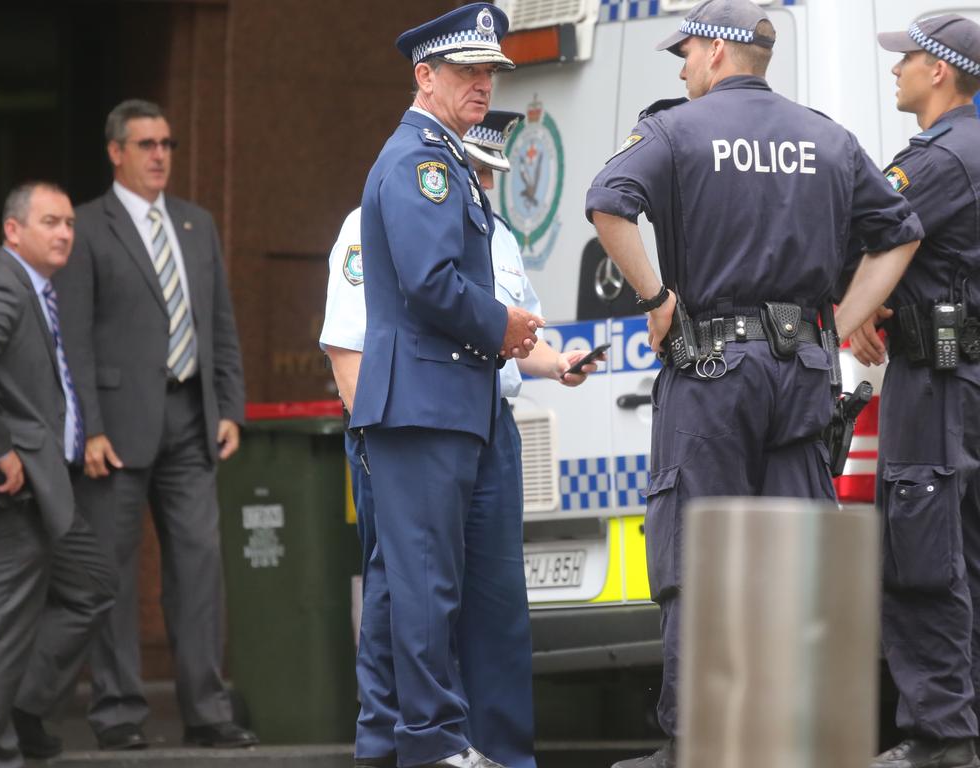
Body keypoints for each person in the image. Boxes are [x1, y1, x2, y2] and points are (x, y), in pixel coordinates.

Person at [585, 0, 924, 765]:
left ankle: (694, 745)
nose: (681, 69)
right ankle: (795, 739)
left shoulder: (677, 130)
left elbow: (608, 205)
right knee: (798, 553)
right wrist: (836, 326)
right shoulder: (826, 138)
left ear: (714, 52)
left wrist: (657, 299)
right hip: (802, 375)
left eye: (685, 54)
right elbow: (899, 234)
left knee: (696, 553)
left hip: (711, 375)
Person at [322, 110, 602, 768]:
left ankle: (501, 753)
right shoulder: (375, 221)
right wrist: (373, 439)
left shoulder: (496, 235)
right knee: (406, 596)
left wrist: (559, 362)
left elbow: (515, 336)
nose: (480, 183)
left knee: (495, 602)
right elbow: (347, 349)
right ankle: (393, 749)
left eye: (487, 174)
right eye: (472, 170)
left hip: (486, 426)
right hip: (404, 429)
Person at [350, 4, 547, 766]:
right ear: (424, 76)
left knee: (437, 589)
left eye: (490, 72)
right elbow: (430, 281)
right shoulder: (421, 161)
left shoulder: (446, 155)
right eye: (467, 71)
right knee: (423, 586)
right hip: (423, 402)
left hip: (448, 401)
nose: (483, 85)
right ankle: (430, 743)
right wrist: (502, 325)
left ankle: (440, 744)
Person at [52, 99, 254, 751]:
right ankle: (117, 715)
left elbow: (219, 325)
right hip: (115, 427)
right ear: (117, 152)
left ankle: (206, 710)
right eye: (146, 144)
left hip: (191, 417)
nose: (161, 154)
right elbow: (74, 338)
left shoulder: (197, 225)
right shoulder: (86, 226)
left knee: (199, 568)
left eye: (166, 142)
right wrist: (87, 427)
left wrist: (229, 407)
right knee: (110, 573)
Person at [845, 15, 980, 768]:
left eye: (907, 60)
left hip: (938, 382)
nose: (895, 70)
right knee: (968, 558)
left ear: (941, 71)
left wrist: (853, 308)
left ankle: (939, 739)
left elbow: (864, 225)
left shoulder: (939, 156)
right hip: (966, 377)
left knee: (924, 555)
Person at [0, 182, 117, 767]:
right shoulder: (1, 285)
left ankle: (23, 707)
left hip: (46, 487)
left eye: (69, 223)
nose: (65, 233)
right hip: (11, 491)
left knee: (93, 585)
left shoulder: (35, 288)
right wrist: (0, 451)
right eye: (50, 222)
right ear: (13, 231)